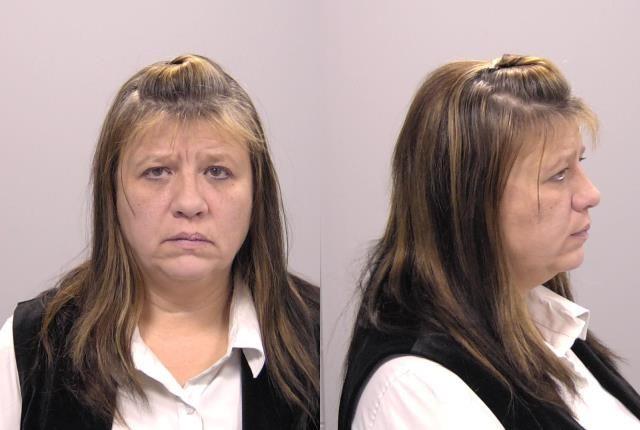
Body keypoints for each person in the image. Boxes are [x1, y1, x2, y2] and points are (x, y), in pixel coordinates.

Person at [0, 54, 319, 429]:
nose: (189, 203)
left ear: (256, 193)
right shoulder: (31, 348)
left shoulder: (317, 339)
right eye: (157, 172)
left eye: (217, 171)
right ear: (112, 192)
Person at [339, 54, 640, 429]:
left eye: (579, 162)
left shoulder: (544, 324)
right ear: (470, 202)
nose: (591, 194)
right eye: (559, 175)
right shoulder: (419, 391)